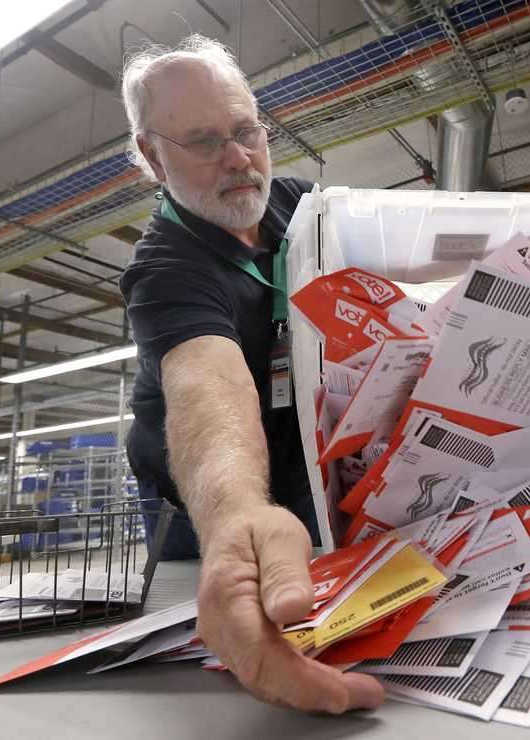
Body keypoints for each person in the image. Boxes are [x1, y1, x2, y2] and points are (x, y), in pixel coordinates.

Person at [118, 35, 384, 712]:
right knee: (201, 643)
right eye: (204, 141)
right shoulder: (165, 269)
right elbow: (208, 385)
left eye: (246, 132)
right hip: (197, 501)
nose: (238, 158)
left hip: (297, 480)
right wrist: (235, 517)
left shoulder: (303, 210)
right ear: (153, 156)